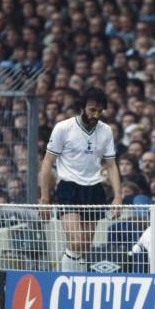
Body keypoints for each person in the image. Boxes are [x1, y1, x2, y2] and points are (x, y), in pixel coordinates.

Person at [39, 87, 122, 272]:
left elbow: (111, 165)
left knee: (84, 246)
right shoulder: (63, 128)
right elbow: (47, 163)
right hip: (69, 187)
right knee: (75, 242)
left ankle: (78, 281)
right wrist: (45, 198)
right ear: (82, 107)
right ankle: (64, 278)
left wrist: (118, 196)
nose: (96, 114)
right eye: (92, 109)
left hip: (94, 189)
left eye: (100, 111)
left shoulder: (106, 131)